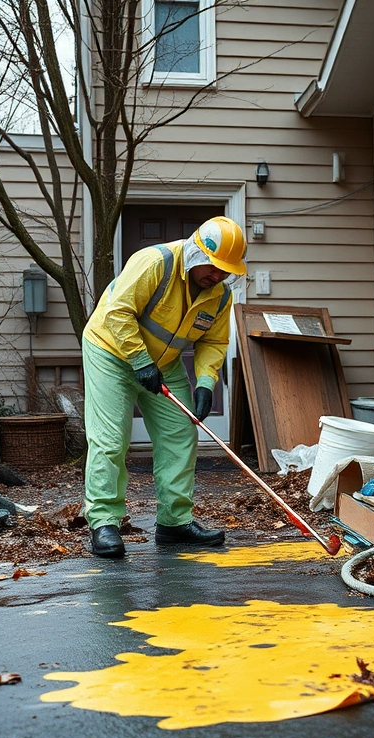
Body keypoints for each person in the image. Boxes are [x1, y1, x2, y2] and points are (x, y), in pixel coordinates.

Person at [80, 216, 247, 558]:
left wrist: (204, 384)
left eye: (225, 270)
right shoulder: (155, 263)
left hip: (164, 363)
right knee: (110, 439)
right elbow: (118, 311)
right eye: (213, 267)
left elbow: (213, 342)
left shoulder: (219, 296)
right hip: (110, 351)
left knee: (180, 434)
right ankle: (104, 523)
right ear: (196, 253)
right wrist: (140, 361)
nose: (217, 275)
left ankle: (174, 523)